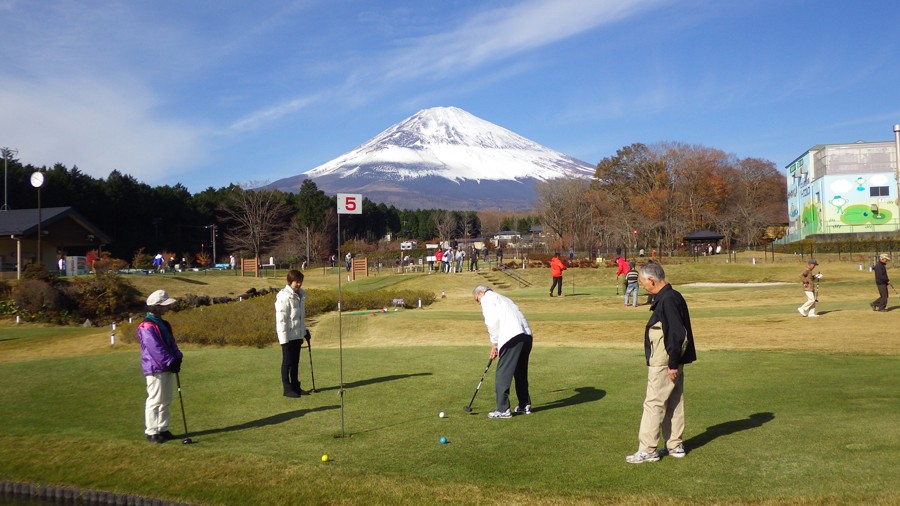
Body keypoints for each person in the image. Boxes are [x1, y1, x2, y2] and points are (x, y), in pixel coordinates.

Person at [625, 262, 696, 463]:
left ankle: (647, 449)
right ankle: (674, 445)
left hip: (665, 361)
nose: (642, 285)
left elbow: (676, 333)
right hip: (671, 359)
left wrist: (673, 364)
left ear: (652, 280)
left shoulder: (668, 300)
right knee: (673, 401)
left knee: (654, 403)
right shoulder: (671, 296)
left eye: (642, 282)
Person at [472, 285, 533, 419]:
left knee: (502, 373)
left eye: (477, 300)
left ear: (481, 293)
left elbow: (492, 322)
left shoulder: (487, 299)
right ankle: (524, 405)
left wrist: (495, 344)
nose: (478, 303)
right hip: (526, 336)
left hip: (512, 336)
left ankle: (503, 409)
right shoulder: (504, 299)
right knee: (520, 371)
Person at [137, 290, 183, 444]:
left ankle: (163, 428)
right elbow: (155, 349)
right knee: (155, 399)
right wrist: (171, 361)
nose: (166, 308)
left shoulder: (164, 323)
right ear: (155, 307)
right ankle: (152, 431)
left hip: (167, 366)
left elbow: (171, 343)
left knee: (166, 399)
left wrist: (178, 358)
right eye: (163, 306)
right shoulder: (146, 326)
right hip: (155, 368)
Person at [275, 269, 310, 398]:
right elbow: (281, 320)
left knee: (295, 362)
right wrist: (284, 340)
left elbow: (300, 317)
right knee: (287, 362)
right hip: (288, 337)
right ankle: (287, 389)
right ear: (290, 282)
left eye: (301, 282)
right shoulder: (284, 296)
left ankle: (296, 387)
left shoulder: (300, 295)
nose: (299, 284)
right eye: (297, 282)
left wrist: (304, 331)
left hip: (297, 335)